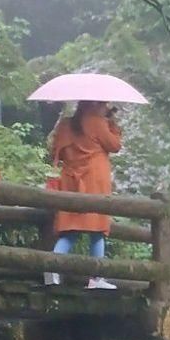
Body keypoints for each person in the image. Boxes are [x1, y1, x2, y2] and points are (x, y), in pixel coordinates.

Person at [48, 99, 123, 289]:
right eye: (104, 104)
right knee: (97, 230)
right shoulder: (97, 123)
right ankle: (96, 278)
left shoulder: (66, 124)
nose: (106, 107)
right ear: (95, 104)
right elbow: (115, 145)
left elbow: (56, 151)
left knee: (70, 231)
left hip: (71, 181)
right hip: (94, 182)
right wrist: (112, 124)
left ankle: (51, 268)